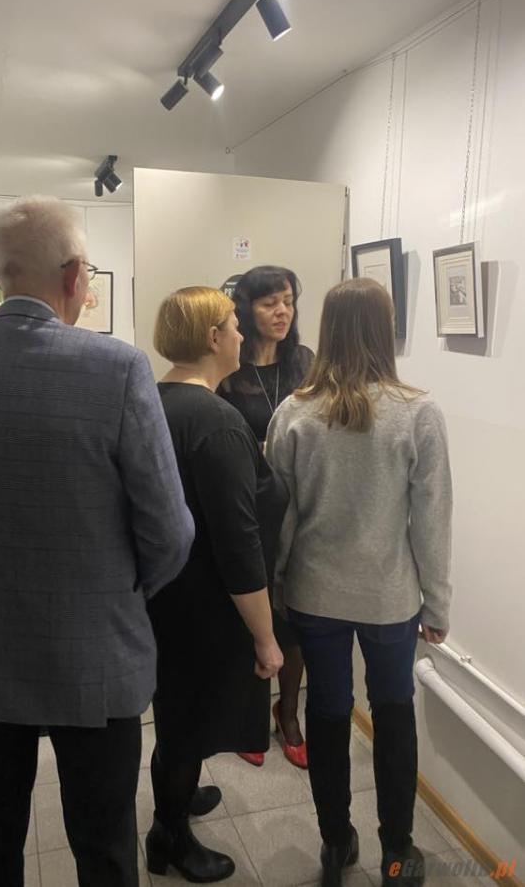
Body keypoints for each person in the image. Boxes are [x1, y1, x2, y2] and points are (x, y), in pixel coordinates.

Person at [0, 195, 194, 887]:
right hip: (96, 652)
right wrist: (118, 587)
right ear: (75, 276)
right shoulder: (118, 368)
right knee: (104, 847)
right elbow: (169, 532)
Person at [266, 278, 452, 887]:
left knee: (326, 711)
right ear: (384, 329)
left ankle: (335, 842)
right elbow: (432, 519)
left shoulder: (294, 412)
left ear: (327, 329)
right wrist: (438, 602)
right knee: (393, 715)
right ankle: (397, 849)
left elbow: (280, 516)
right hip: (389, 597)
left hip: (314, 592)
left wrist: (277, 589)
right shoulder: (417, 413)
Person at [147, 286, 285, 883]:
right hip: (209, 604)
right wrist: (266, 638)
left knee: (178, 713)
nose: (241, 335)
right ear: (212, 338)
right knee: (188, 725)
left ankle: (176, 800)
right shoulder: (216, 422)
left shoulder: (152, 401)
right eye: (233, 325)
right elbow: (237, 542)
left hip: (165, 597)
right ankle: (170, 836)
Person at [218, 265, 313, 769]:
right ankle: (248, 717)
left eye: (288, 301)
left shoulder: (305, 363)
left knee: (293, 619)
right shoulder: (229, 366)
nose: (281, 312)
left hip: (299, 511)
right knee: (249, 617)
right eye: (269, 302)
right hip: (247, 510)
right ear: (246, 308)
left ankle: (288, 713)